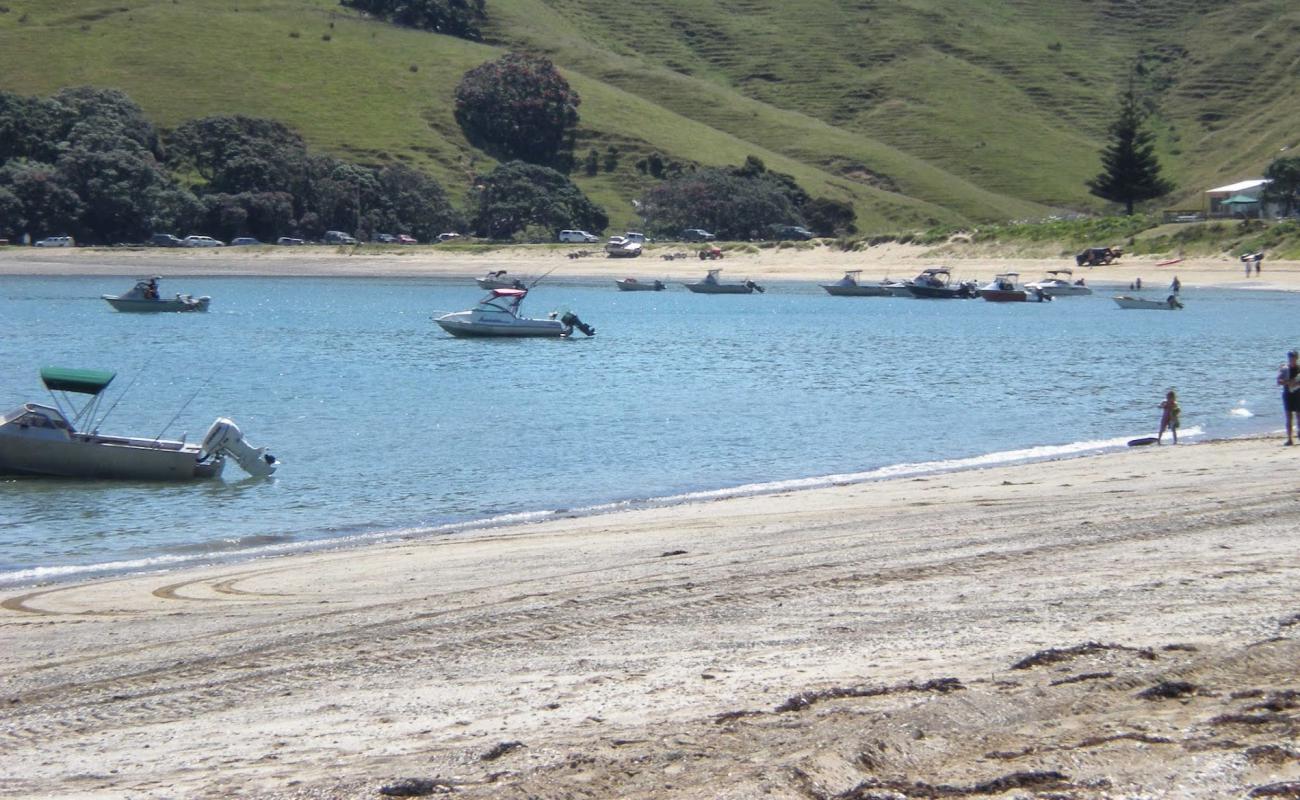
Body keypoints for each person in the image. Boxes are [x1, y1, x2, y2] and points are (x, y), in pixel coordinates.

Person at [1278, 350, 1300, 446]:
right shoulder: (1284, 369)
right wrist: (1288, 382)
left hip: (1298, 393)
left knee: (1299, 416)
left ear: (1297, 358)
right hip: (1287, 394)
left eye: (1293, 357)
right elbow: (1279, 381)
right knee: (1288, 417)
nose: (1291, 359)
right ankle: (1289, 439)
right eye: (1290, 357)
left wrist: (1296, 383)